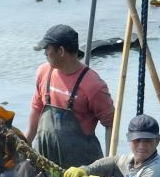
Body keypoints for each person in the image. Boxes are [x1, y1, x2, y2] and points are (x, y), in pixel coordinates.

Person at [25, 24, 114, 168]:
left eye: (47, 49)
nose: (45, 54)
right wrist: (25, 145)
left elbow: (111, 125)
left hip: (81, 167)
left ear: (60, 51)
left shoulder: (93, 85)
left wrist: (109, 165)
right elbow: (36, 109)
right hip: (44, 160)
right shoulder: (43, 72)